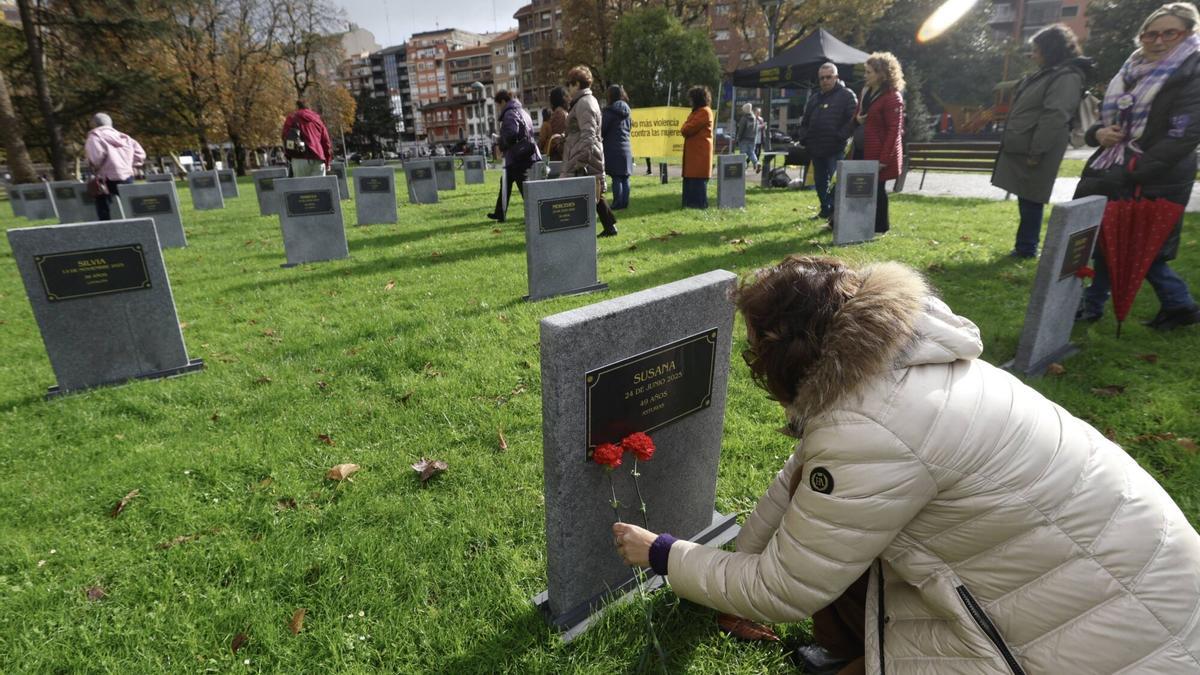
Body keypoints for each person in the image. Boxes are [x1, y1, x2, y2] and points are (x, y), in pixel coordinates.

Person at [612, 255, 1200, 675]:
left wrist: (663, 554)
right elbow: (802, 483)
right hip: (1142, 569)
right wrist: (729, 565)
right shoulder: (896, 365)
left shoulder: (869, 430)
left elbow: (784, 588)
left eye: (756, 346)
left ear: (780, 346)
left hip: (1119, 637)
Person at [1075, 2, 1200, 330]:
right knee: (1106, 239)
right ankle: (1093, 303)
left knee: (1144, 247)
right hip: (1114, 167)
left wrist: (1132, 167)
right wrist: (1098, 132)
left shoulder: (1192, 70)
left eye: (1169, 33)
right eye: (1150, 34)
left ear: (1188, 33)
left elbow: (1184, 135)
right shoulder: (1131, 68)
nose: (1157, 41)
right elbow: (1104, 121)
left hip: (1156, 176)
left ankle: (1179, 304)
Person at [992, 25, 1093, 258]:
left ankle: (1027, 248)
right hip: (1027, 145)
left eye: (1037, 50)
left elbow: (1055, 115)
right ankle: (1024, 245)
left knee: (1032, 198)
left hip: (1037, 148)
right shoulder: (1050, 73)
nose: (1033, 55)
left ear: (1051, 50)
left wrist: (1037, 151)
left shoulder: (1067, 76)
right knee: (1026, 197)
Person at [850, 52, 905, 234]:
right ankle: (856, 222)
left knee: (877, 188)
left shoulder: (892, 97)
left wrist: (884, 159)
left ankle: (880, 227)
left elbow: (894, 131)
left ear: (882, 74)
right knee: (858, 187)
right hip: (861, 147)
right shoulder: (866, 92)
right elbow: (857, 115)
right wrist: (857, 119)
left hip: (877, 151)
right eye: (865, 72)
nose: (865, 76)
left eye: (869, 72)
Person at [561, 65, 618, 237]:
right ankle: (609, 227)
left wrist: (579, 160)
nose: (568, 89)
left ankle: (582, 231)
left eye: (570, 84)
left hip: (586, 156)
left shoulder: (584, 103)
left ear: (577, 84)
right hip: (587, 154)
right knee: (595, 194)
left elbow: (588, 135)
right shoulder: (583, 102)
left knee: (589, 194)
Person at [798, 63, 859, 221]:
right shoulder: (814, 98)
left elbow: (853, 120)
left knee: (837, 183)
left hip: (836, 148)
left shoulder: (847, 95)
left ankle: (836, 213)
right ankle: (825, 210)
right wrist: (805, 138)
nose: (825, 80)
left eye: (828, 77)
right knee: (819, 182)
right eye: (822, 78)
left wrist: (840, 136)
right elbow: (804, 122)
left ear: (836, 77)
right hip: (816, 148)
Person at [487, 90, 541, 223]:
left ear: (504, 101)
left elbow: (511, 134)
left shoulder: (510, 113)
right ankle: (500, 213)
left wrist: (500, 141)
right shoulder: (523, 112)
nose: (499, 108)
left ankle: (535, 215)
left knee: (524, 188)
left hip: (518, 157)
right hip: (523, 155)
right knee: (505, 183)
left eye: (498, 105)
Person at [84, 113, 145, 221]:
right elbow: (140, 154)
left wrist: (92, 164)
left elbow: (96, 158)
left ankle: (107, 229)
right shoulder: (125, 137)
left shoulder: (94, 137)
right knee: (130, 206)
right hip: (127, 175)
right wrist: (131, 165)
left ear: (94, 124)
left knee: (103, 206)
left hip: (106, 177)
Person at [680, 86, 714, 209]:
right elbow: (685, 127)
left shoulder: (704, 112)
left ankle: (697, 206)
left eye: (691, 99)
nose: (690, 102)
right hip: (695, 155)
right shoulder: (697, 112)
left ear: (697, 99)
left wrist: (685, 126)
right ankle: (689, 205)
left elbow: (686, 128)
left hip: (699, 155)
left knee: (697, 181)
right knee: (691, 180)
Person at [601, 84, 633, 210]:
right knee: (625, 177)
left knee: (616, 177)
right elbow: (630, 128)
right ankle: (624, 203)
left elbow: (602, 129)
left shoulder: (609, 112)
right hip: (626, 147)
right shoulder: (628, 111)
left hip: (613, 148)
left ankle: (617, 203)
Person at [281, 100, 332, 177]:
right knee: (320, 188)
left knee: (302, 188)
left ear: (297, 107)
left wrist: (288, 156)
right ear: (309, 108)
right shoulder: (317, 120)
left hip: (299, 158)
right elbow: (326, 142)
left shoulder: (292, 118)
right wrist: (327, 161)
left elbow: (285, 137)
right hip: (318, 157)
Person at [543, 86, 569, 160]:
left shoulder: (561, 112)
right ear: (561, 98)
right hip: (560, 159)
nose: (569, 98)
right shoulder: (560, 114)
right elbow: (558, 139)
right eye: (566, 96)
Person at [734, 103, 759, 173]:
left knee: (743, 155)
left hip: (744, 139)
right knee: (751, 153)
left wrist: (738, 138)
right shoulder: (754, 118)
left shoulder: (744, 118)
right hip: (752, 139)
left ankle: (743, 170)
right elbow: (756, 129)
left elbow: (741, 130)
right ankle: (757, 163)